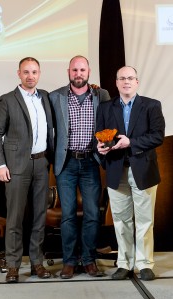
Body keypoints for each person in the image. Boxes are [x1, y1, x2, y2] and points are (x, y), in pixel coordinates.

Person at [96, 66, 165, 281]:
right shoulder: (106, 107)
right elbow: (98, 137)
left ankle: (145, 264)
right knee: (121, 220)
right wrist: (100, 149)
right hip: (116, 170)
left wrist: (131, 142)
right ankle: (124, 263)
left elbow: (157, 136)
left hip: (143, 170)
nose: (126, 81)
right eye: (122, 78)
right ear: (116, 83)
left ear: (137, 82)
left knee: (144, 220)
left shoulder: (152, 106)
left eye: (130, 78)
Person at [0, 57, 54, 283]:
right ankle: (13, 266)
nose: (30, 76)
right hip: (16, 165)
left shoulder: (46, 97)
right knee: (15, 218)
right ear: (18, 73)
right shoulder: (8, 100)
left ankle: (37, 263)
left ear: (39, 73)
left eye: (34, 72)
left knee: (39, 216)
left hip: (41, 163)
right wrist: (0, 164)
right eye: (26, 72)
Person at [49, 55, 110, 279]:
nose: (78, 74)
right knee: (68, 215)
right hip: (66, 163)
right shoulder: (56, 96)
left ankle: (89, 259)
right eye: (74, 70)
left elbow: (109, 124)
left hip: (91, 162)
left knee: (93, 213)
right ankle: (69, 261)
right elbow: (49, 131)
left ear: (89, 72)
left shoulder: (101, 95)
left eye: (82, 70)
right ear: (68, 72)